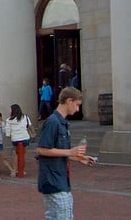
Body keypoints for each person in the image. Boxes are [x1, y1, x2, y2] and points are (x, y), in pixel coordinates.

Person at [36, 86, 95, 220]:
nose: (77, 109)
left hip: (58, 179)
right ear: (69, 101)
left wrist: (78, 157)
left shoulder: (61, 122)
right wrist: (70, 152)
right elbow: (42, 149)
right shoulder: (53, 122)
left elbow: (58, 151)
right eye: (77, 105)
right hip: (53, 180)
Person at [6, 103, 33, 178]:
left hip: (15, 139)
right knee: (23, 154)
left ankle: (14, 171)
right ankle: (22, 170)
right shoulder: (25, 117)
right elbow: (29, 126)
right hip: (25, 138)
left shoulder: (9, 120)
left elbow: (7, 134)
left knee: (16, 155)